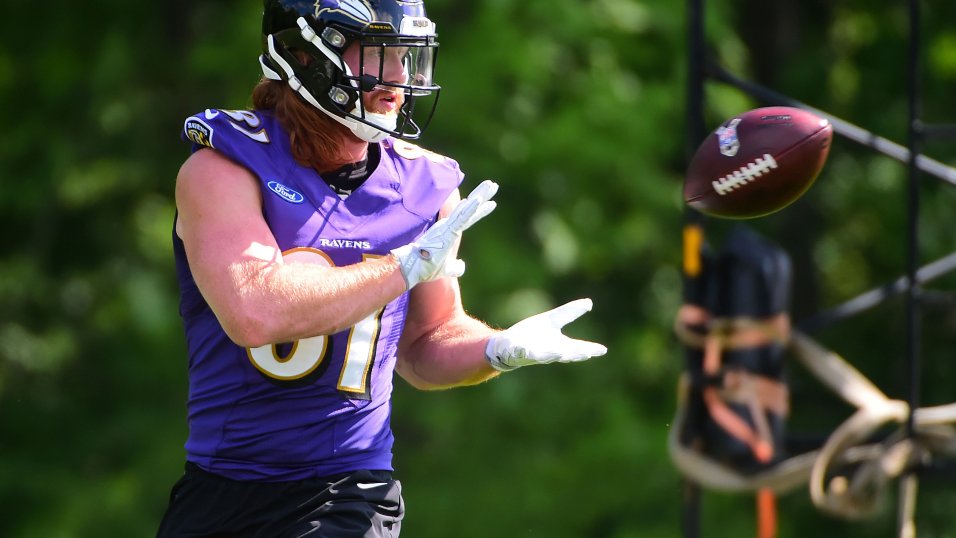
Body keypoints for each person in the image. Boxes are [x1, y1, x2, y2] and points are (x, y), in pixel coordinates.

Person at [157, 1, 607, 536]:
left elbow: (424, 345)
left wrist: (496, 350)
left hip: (349, 491)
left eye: (408, 56)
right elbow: (255, 311)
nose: (399, 77)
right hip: (219, 491)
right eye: (379, 54)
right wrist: (402, 267)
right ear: (307, 55)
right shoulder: (225, 167)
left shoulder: (425, 185)